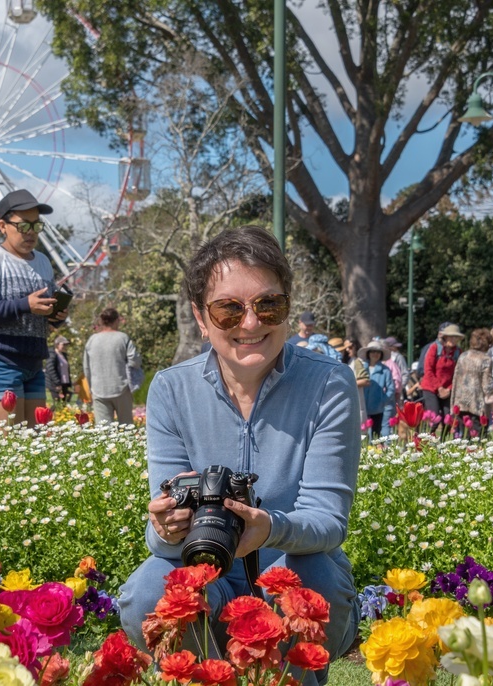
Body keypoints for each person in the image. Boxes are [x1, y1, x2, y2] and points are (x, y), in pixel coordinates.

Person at [118, 226, 361, 683]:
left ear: (287, 308)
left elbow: (328, 521)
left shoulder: (329, 383)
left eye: (268, 304)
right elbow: (162, 541)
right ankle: (204, 677)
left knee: (315, 581)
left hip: (292, 566)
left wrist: (269, 528)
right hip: (207, 567)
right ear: (200, 316)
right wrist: (165, 527)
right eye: (229, 309)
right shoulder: (172, 388)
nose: (251, 324)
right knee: (152, 589)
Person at [0, 189, 69, 426]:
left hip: (34, 363)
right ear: (3, 225)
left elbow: (39, 311)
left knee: (32, 445)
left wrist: (56, 316)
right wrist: (26, 305)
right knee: (11, 444)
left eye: (36, 226)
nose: (31, 233)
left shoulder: (43, 262)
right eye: (24, 226)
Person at [83, 307, 140, 426]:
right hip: (121, 387)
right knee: (127, 428)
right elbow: (134, 361)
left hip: (98, 389)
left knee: (103, 430)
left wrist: (91, 387)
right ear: (116, 321)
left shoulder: (92, 340)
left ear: (101, 322)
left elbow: (87, 368)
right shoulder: (122, 338)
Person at [451, 328, 493, 434]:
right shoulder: (486, 359)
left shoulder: (463, 356)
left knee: (464, 437)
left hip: (460, 403)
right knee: (478, 438)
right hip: (477, 405)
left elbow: (455, 380)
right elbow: (487, 385)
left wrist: (453, 403)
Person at [419, 324, 464, 422]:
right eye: (451, 336)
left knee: (448, 419)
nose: (453, 339)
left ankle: (445, 437)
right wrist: (439, 388)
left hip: (447, 390)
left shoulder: (458, 352)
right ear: (445, 336)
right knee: (434, 418)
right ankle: (428, 436)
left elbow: (459, 374)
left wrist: (449, 389)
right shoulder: (434, 348)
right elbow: (428, 370)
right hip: (430, 387)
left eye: (456, 337)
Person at [359, 340, 396, 440]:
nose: (375, 354)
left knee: (376, 433)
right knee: (362, 433)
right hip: (362, 406)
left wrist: (383, 401)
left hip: (377, 408)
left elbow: (391, 388)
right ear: (368, 353)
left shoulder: (385, 370)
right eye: (372, 351)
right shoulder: (362, 368)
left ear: (381, 354)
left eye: (378, 352)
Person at [333, 337, 368, 426]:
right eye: (346, 348)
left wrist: (346, 383)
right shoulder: (345, 361)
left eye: (350, 347)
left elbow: (366, 380)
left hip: (355, 398)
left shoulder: (357, 362)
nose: (347, 350)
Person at [45, 334, 72, 401]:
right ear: (57, 345)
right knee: (56, 405)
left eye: (66, 345)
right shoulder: (52, 354)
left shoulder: (63, 355)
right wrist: (57, 383)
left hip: (64, 384)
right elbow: (50, 369)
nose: (65, 346)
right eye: (63, 344)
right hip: (55, 385)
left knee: (63, 406)